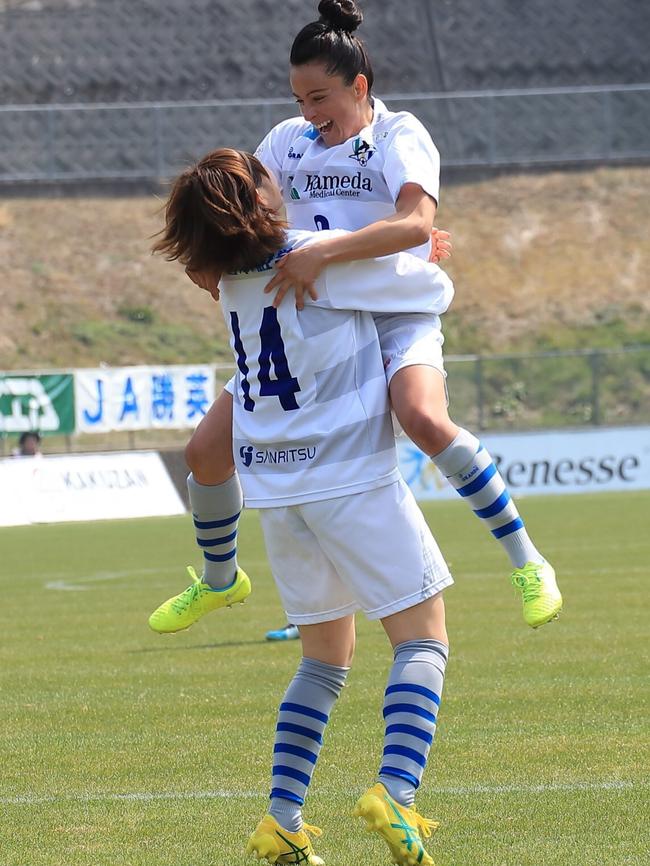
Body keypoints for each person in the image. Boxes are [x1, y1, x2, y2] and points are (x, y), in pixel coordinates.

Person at [149, 0, 561, 636]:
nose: (309, 116)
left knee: (421, 417)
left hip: (393, 310)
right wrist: (210, 260)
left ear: (359, 86)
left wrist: (330, 252)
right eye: (299, 100)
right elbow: (248, 210)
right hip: (310, 318)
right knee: (205, 451)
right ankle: (222, 579)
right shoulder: (289, 142)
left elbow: (416, 222)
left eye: (320, 98)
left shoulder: (401, 136)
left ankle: (528, 560)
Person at [153, 146, 455, 866]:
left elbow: (204, 261)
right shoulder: (320, 254)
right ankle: (396, 791)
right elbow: (423, 276)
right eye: (266, 177)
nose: (279, 176)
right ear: (263, 201)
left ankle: (282, 820)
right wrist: (432, 247)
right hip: (349, 476)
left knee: (322, 662)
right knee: (422, 642)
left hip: (278, 493)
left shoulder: (220, 276)